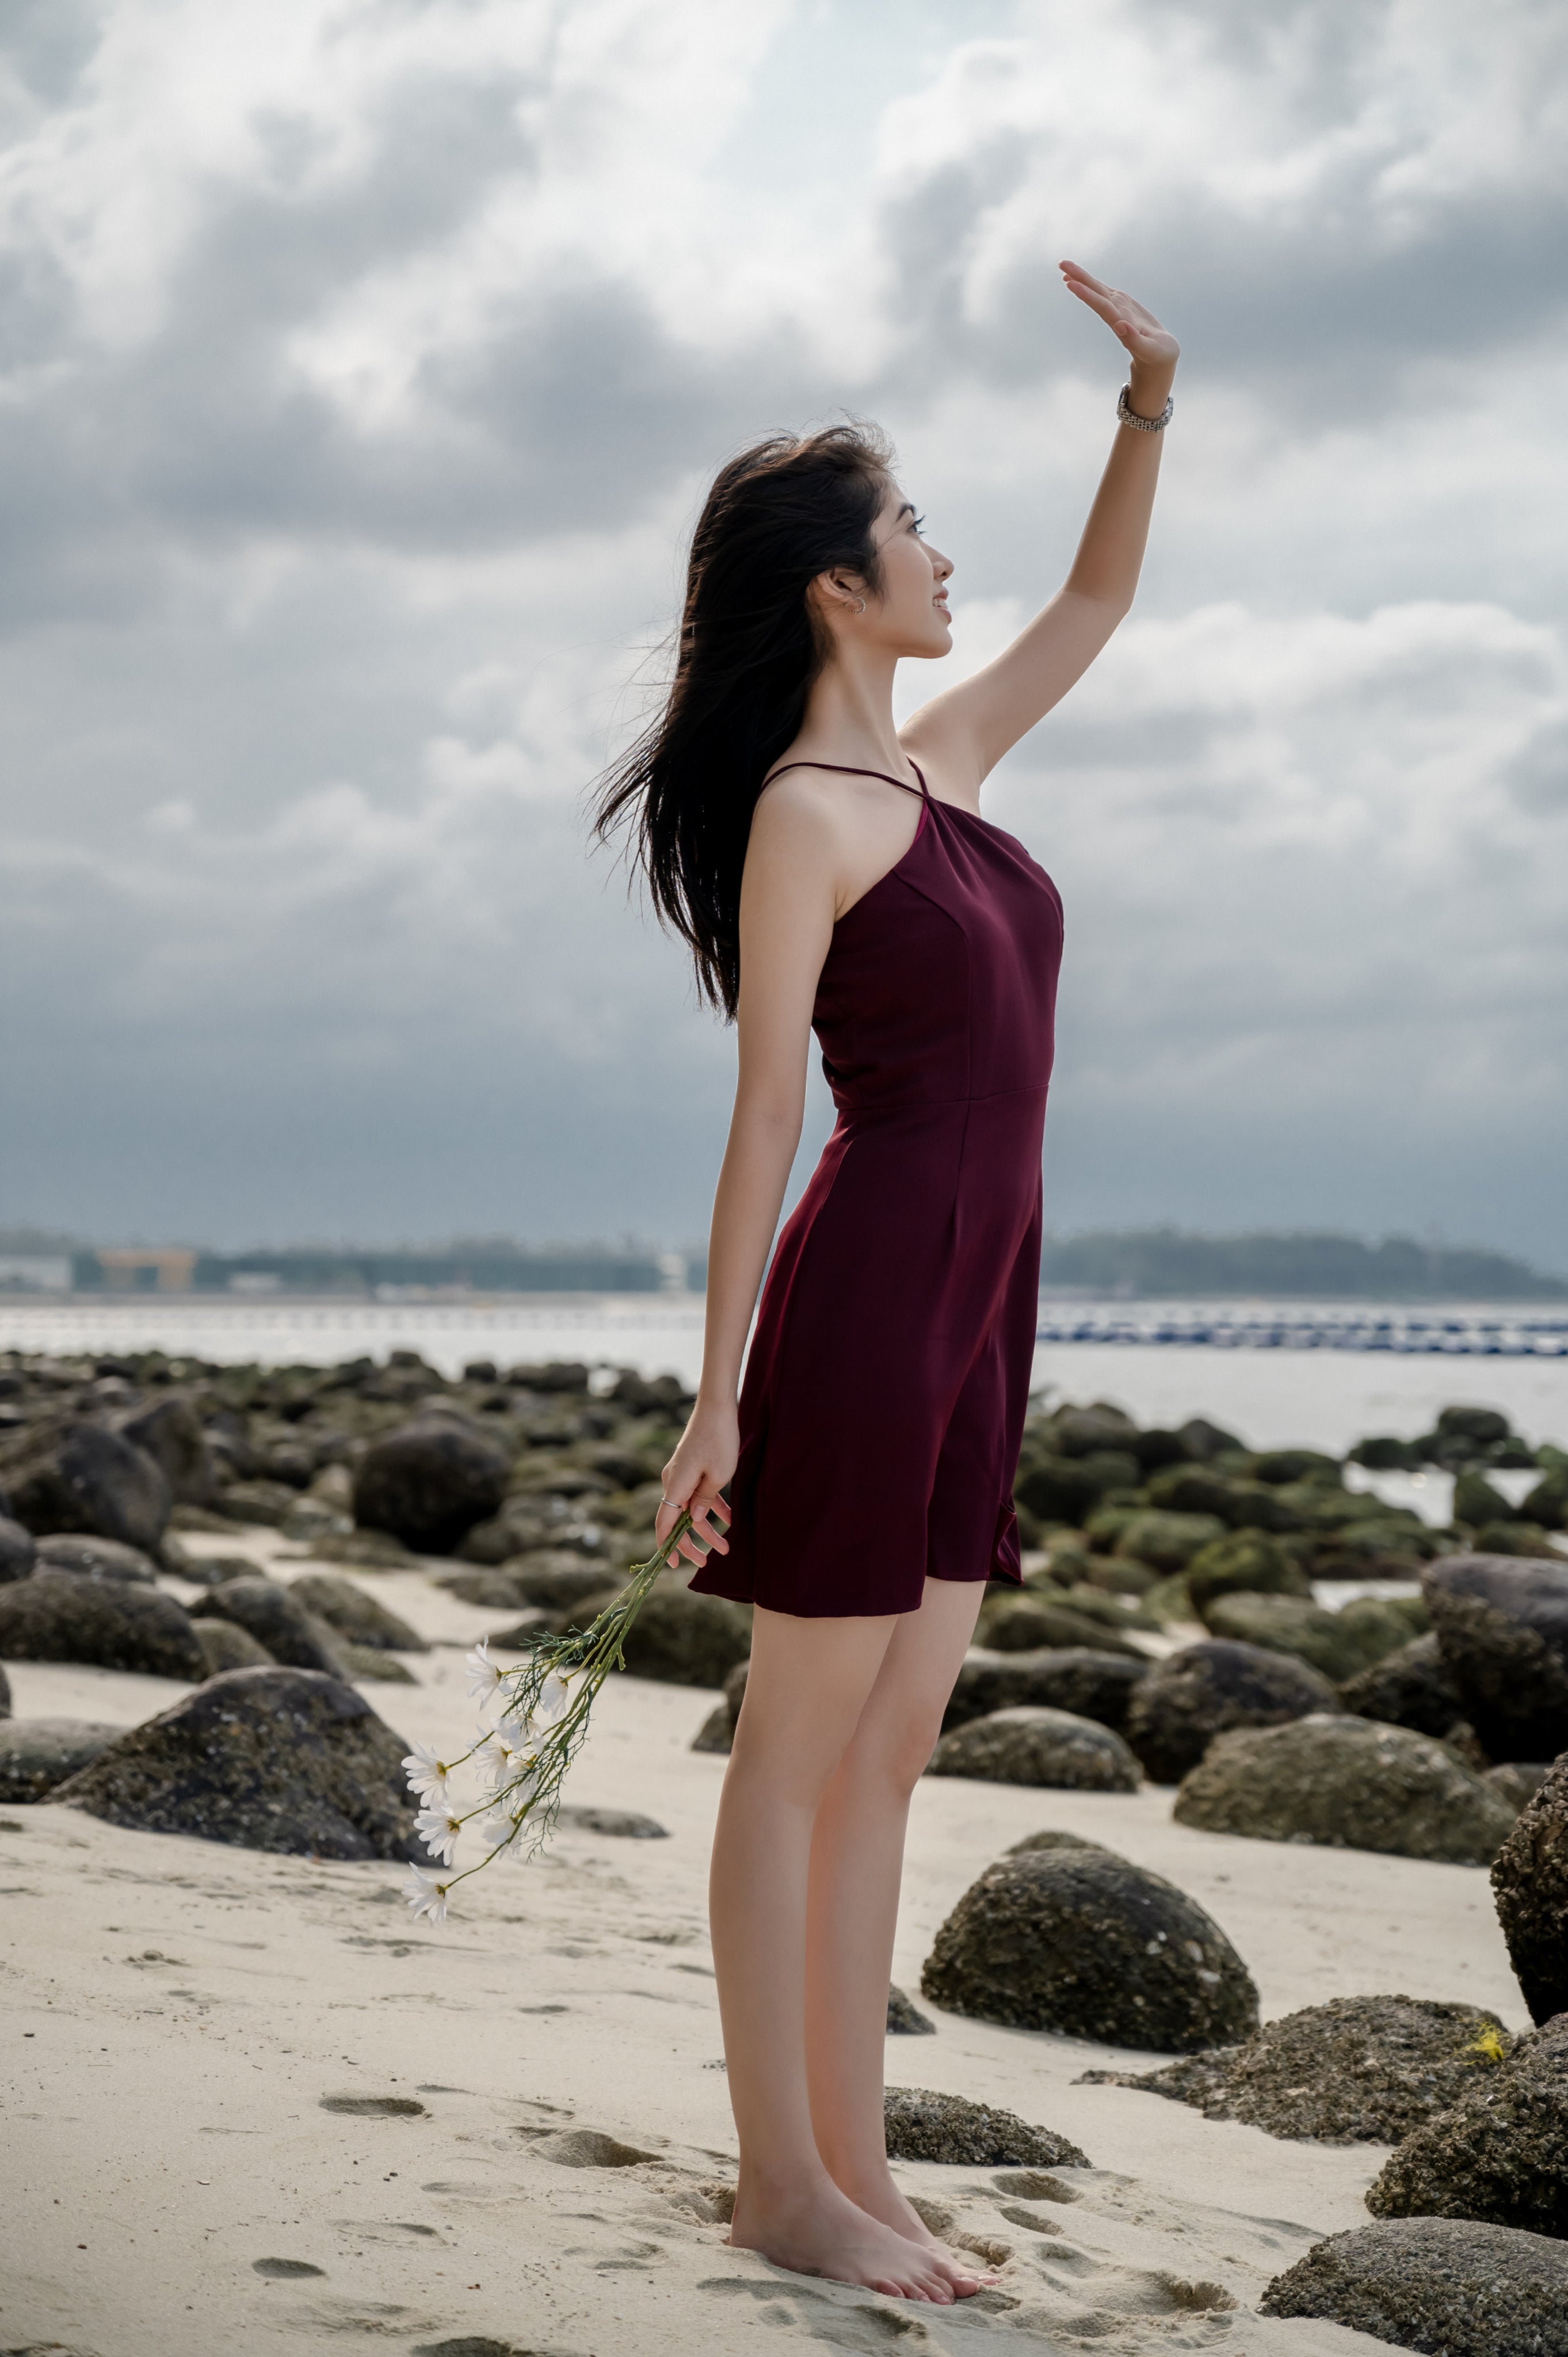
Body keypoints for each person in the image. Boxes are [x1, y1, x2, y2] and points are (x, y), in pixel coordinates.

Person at [594, 261, 1178, 2303]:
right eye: (912, 527)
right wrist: (715, 1395)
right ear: (838, 588)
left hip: (981, 1309)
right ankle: (782, 2185)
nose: (943, 554)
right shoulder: (805, 818)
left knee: (899, 1742)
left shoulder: (949, 768)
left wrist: (1151, 403)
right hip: (863, 1301)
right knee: (798, 1740)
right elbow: (768, 1121)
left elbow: (1095, 612)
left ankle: (865, 2170)